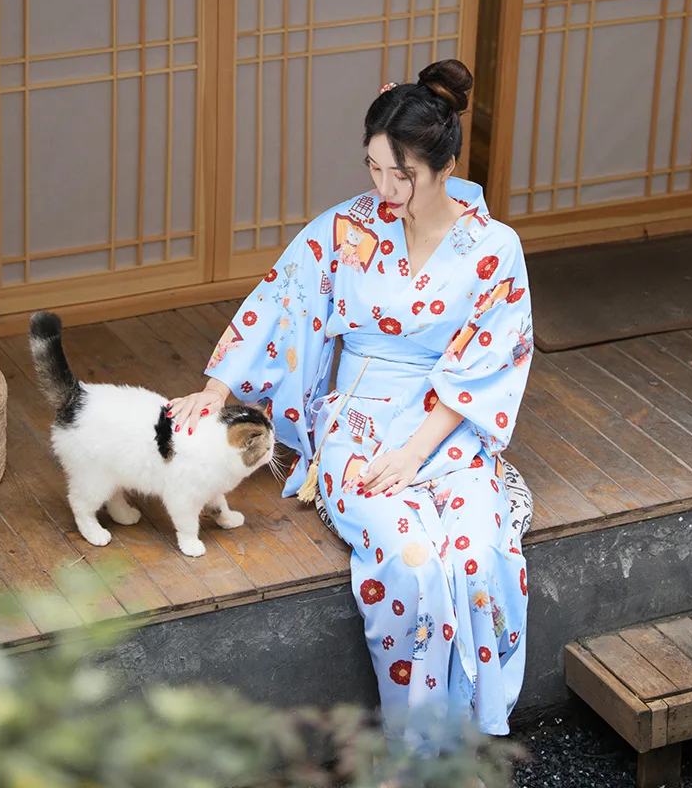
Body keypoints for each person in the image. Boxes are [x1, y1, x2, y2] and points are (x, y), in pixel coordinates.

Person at [169, 59, 533, 758]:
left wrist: (415, 454)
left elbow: (488, 364)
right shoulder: (342, 230)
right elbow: (281, 301)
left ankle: (467, 735)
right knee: (413, 558)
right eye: (374, 169)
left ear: (444, 165)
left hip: (443, 425)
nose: (385, 190)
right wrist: (215, 389)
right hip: (360, 422)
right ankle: (416, 749)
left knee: (479, 554)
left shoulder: (494, 250)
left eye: (404, 175)